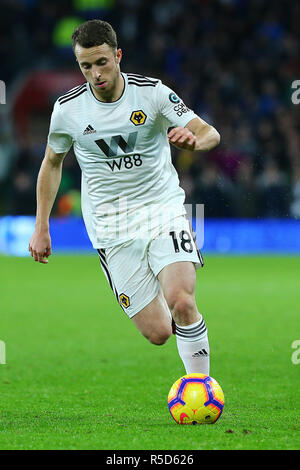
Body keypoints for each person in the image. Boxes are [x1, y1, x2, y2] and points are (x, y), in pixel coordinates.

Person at [29, 20, 220, 376]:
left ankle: (200, 385)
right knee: (160, 332)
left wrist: (195, 141)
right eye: (86, 66)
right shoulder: (68, 111)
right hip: (111, 227)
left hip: (163, 209)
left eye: (101, 62)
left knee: (182, 299)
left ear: (117, 56)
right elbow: (51, 164)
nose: (95, 73)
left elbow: (209, 132)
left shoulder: (152, 94)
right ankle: (179, 323)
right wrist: (41, 227)